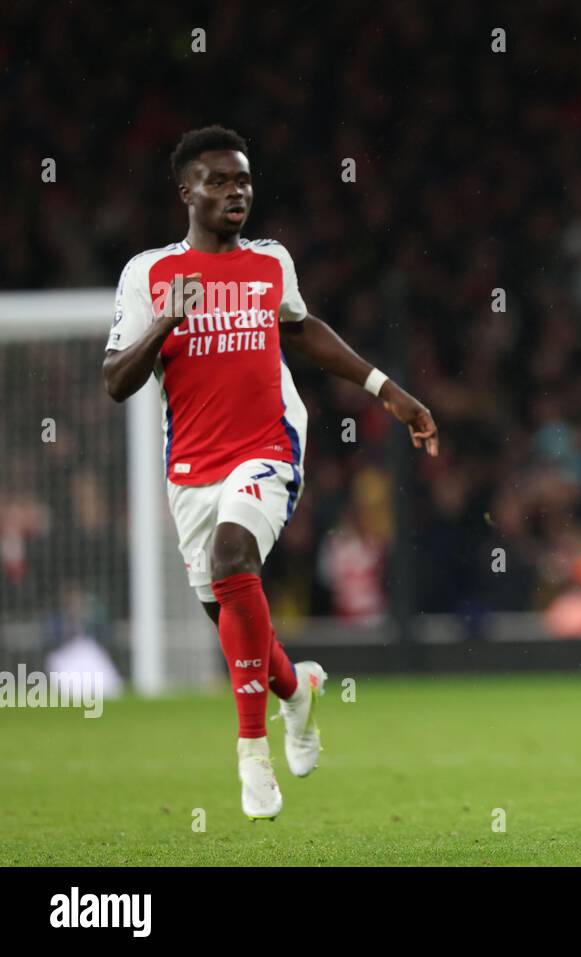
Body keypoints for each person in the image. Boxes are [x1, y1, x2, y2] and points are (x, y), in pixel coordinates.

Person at [103, 126, 438, 819]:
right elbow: (115, 380)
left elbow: (302, 327)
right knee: (231, 616)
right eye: (219, 181)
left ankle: (252, 754)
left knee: (234, 558)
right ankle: (296, 691)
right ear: (186, 190)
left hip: (269, 444)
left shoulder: (268, 262)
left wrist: (388, 389)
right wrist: (165, 320)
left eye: (244, 180)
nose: (235, 192)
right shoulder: (149, 275)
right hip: (192, 464)